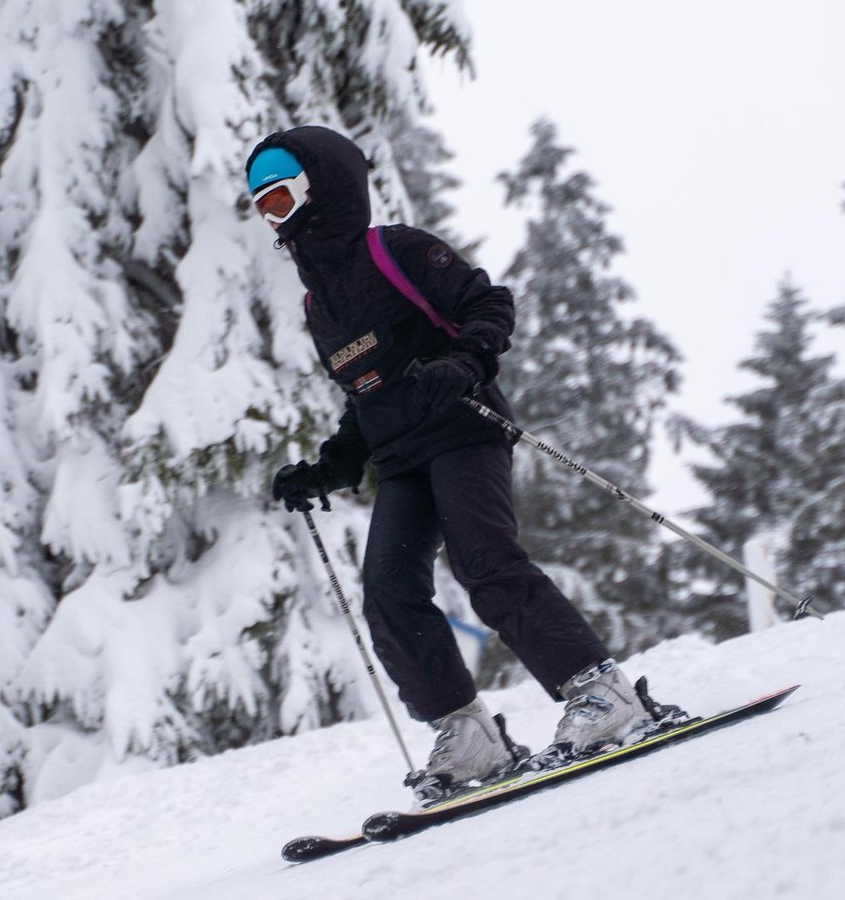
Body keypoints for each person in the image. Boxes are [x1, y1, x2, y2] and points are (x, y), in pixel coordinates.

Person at [247, 125, 665, 799]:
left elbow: (488, 305)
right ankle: (470, 735)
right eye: (264, 208)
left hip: (464, 430)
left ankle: (603, 694)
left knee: (484, 562)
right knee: (387, 589)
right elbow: (364, 399)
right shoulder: (318, 305)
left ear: (319, 190)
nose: (277, 219)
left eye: (282, 199)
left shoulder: (397, 251)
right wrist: (328, 466)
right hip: (401, 459)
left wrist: (462, 364)